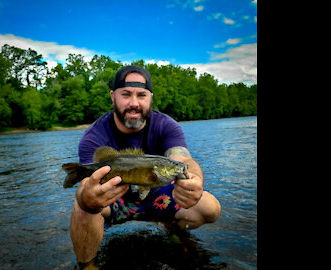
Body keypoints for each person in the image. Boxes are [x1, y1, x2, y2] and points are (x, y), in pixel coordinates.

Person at [69, 65, 221, 266]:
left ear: (150, 97)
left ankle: (170, 225)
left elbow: (183, 159)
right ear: (113, 96)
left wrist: (194, 180)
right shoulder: (94, 136)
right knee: (82, 207)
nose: (134, 103)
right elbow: (88, 183)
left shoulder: (167, 125)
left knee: (210, 207)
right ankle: (87, 265)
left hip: (157, 197)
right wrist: (87, 199)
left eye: (141, 95)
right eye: (126, 95)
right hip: (114, 200)